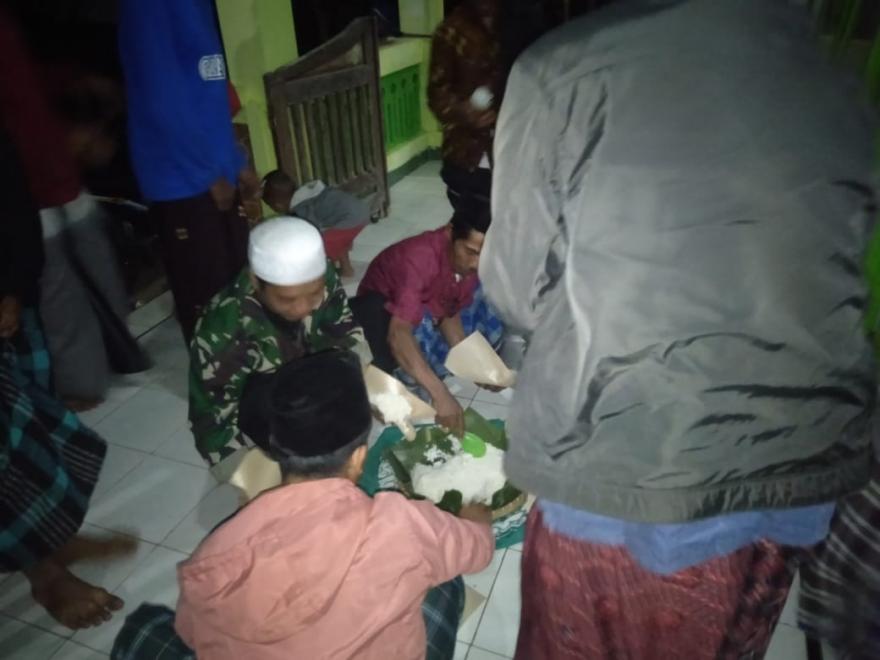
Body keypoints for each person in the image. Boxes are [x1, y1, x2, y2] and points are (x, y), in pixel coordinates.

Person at [480, 1, 877, 658]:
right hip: (791, 476)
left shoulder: (562, 69)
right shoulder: (834, 79)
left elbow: (517, 289)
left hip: (629, 469)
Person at [112, 350, 494, 660]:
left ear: (276, 453)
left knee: (147, 628)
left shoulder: (216, 552)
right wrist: (475, 519)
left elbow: (192, 633)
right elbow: (478, 550)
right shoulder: (401, 524)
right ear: (359, 458)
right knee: (445, 582)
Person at [0, 133, 134, 630]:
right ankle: (44, 570)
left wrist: (13, 285)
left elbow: (11, 195)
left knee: (33, 428)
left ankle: (49, 540)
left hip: (11, 289)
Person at [0, 6, 136, 410]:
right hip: (36, 190)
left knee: (85, 282)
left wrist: (84, 121)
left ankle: (102, 371)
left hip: (52, 180)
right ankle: (90, 379)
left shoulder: (12, 30)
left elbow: (38, 82)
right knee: (67, 293)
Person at [118, 0, 261, 344]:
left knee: (238, 285)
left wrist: (235, 162)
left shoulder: (197, 7)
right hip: (184, 181)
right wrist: (207, 174)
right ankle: (220, 373)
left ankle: (249, 360)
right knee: (207, 301)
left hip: (214, 173)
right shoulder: (150, 7)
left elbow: (207, 99)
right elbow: (162, 100)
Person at [189, 217, 371, 469]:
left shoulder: (319, 276)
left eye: (314, 294)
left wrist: (365, 390)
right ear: (256, 282)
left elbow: (343, 331)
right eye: (287, 299)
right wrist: (250, 477)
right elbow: (213, 422)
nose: (303, 308)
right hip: (262, 405)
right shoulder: (225, 327)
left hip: (308, 380)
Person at [353, 207, 504, 437]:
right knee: (406, 401)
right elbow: (399, 333)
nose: (476, 263)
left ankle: (425, 374)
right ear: (450, 232)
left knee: (486, 298)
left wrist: (474, 365)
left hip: (420, 311)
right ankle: (384, 376)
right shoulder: (418, 258)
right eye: (471, 251)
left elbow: (449, 312)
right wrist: (441, 394)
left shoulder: (465, 264)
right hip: (379, 316)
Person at [428, 0, 501, 214]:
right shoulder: (451, 32)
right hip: (467, 153)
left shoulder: (520, 24)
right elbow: (437, 95)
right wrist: (465, 112)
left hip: (512, 149)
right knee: (470, 225)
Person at [261, 169, 370, 278]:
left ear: (278, 205)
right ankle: (347, 269)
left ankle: (328, 279)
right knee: (339, 241)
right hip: (359, 211)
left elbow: (314, 232)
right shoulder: (309, 194)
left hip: (350, 219)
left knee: (321, 249)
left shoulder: (302, 208)